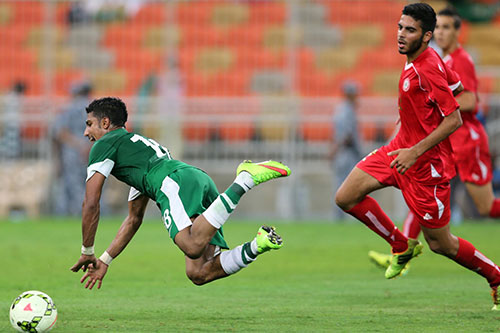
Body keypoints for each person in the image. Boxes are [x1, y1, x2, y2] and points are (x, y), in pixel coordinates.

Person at [334, 3, 500, 310]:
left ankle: (496, 277)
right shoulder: (426, 59)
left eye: (409, 30)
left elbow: (454, 118)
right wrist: (410, 123)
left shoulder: (426, 68)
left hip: (426, 166)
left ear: (425, 37)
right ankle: (400, 244)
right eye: (399, 27)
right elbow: (459, 88)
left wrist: (415, 150)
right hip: (398, 149)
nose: (400, 34)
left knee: (442, 244)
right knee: (346, 196)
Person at [70, 97, 291, 289]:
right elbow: (133, 219)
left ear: (105, 123)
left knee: (192, 246)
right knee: (199, 272)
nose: (85, 132)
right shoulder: (135, 152)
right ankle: (259, 244)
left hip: (173, 183)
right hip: (193, 177)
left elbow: (91, 202)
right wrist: (105, 259)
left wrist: (87, 250)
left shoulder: (104, 145)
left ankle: (244, 180)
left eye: (89, 124)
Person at [53, 81, 93, 215]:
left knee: (72, 185)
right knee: (93, 184)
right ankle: (93, 212)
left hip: (71, 152)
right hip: (91, 151)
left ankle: (76, 213)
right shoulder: (96, 110)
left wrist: (77, 145)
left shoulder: (68, 108)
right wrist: (88, 146)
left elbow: (60, 132)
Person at [330, 81, 362, 220]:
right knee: (346, 184)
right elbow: (347, 135)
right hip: (347, 152)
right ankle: (341, 215)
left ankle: (340, 216)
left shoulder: (341, 109)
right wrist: (335, 150)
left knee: (341, 182)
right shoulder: (347, 111)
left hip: (343, 152)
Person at [0, 81, 26, 160]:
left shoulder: (9, 96)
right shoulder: (14, 97)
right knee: (10, 144)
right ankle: (9, 160)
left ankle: (7, 160)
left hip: (9, 124)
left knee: (7, 144)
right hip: (11, 124)